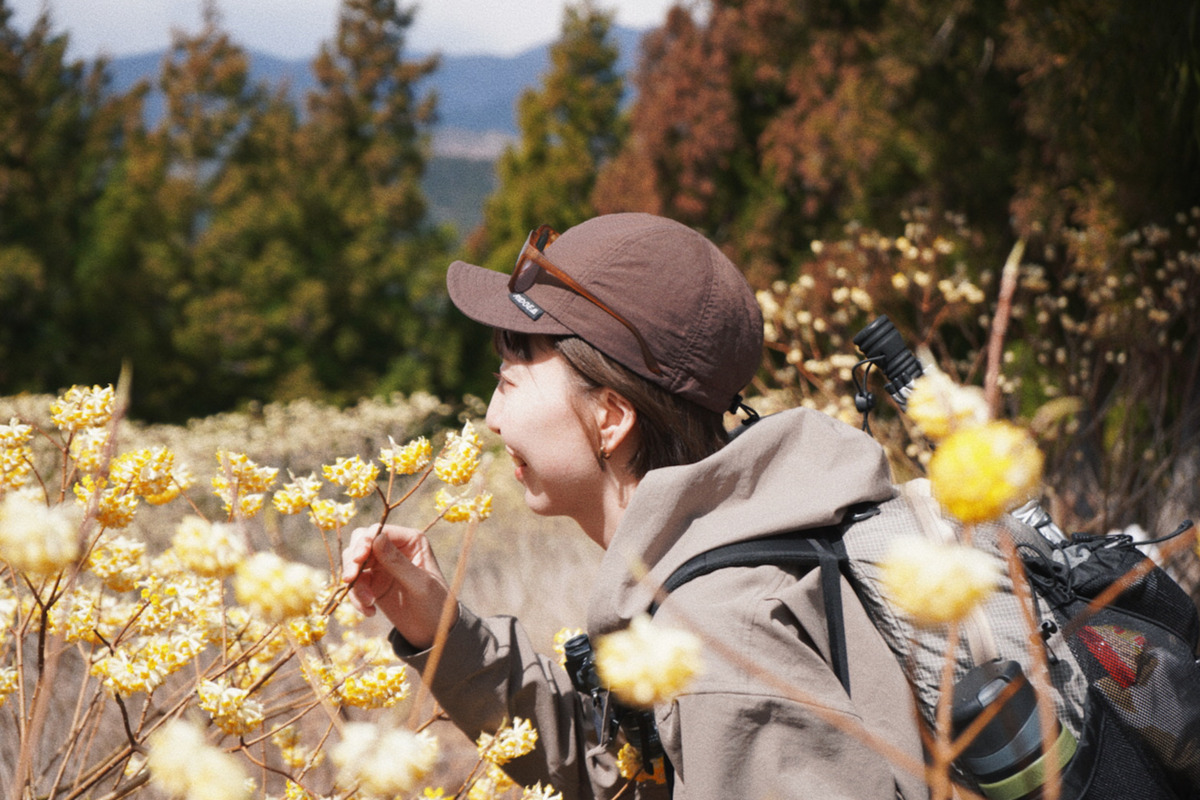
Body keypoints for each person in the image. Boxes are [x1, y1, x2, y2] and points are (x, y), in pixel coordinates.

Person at [341, 213, 928, 799]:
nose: (492, 420)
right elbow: (627, 775)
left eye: (509, 383)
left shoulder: (719, 641)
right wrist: (440, 630)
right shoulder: (709, 571)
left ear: (610, 417)